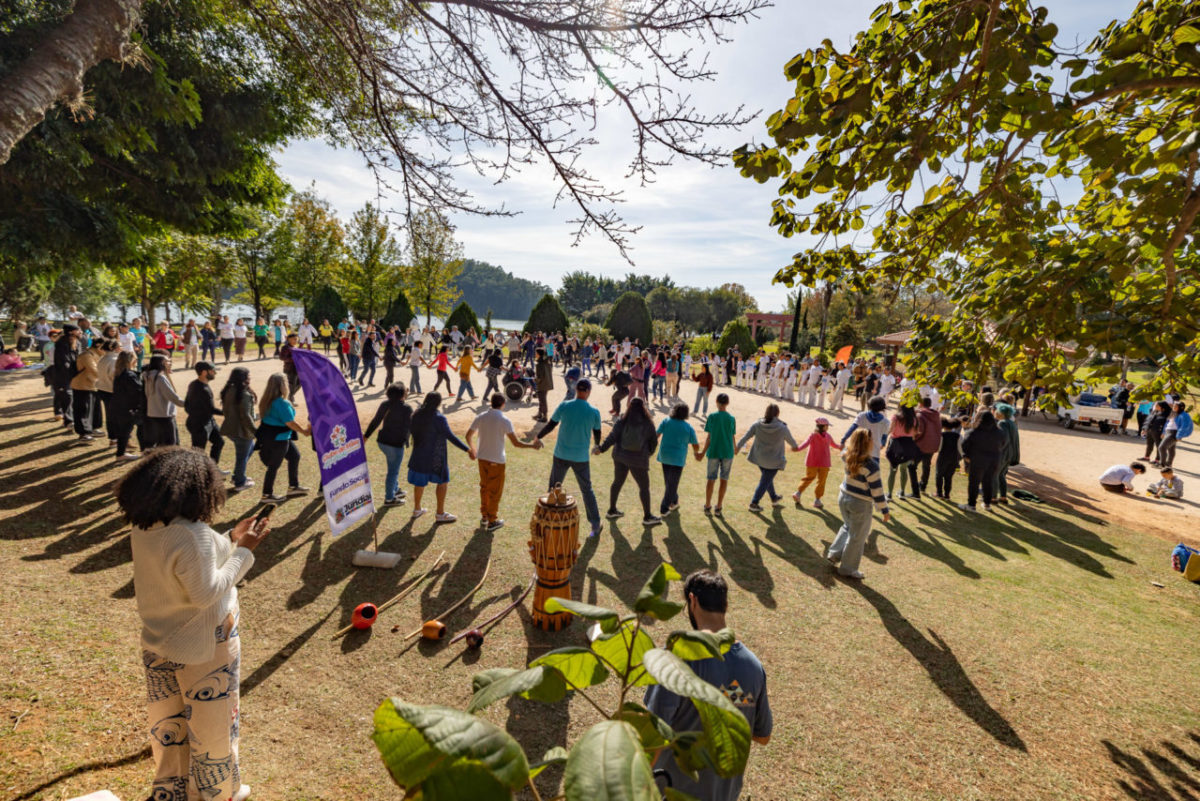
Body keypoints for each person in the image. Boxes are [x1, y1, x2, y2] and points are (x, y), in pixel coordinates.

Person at [116, 446, 266, 801]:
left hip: (159, 641)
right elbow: (206, 591)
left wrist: (231, 538)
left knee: (169, 726)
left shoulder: (147, 525)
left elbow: (192, 563)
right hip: (205, 646)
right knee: (213, 729)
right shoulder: (192, 532)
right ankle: (219, 794)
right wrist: (246, 550)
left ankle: (171, 791)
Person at [644, 569, 772, 801]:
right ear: (726, 605)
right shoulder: (754, 667)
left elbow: (652, 737)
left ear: (692, 601)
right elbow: (763, 736)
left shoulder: (674, 660)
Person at [535, 379, 604, 537]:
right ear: (588, 391)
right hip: (581, 458)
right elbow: (597, 433)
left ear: (576, 389)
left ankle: (547, 521)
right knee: (587, 490)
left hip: (561, 454)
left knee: (553, 488)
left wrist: (538, 436)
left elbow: (551, 424)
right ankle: (595, 525)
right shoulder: (594, 411)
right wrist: (597, 445)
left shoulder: (564, 405)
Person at [826, 428, 891, 579]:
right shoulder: (871, 466)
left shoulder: (846, 455)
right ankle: (847, 569)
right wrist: (884, 510)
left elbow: (845, 451)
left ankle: (834, 554)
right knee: (857, 537)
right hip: (860, 503)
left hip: (844, 497)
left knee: (847, 526)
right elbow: (877, 491)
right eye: (871, 439)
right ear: (868, 443)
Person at [466, 393, 535, 530]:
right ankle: (492, 520)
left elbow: (468, 436)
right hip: (497, 460)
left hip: (482, 459)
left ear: (491, 403)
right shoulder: (504, 420)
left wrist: (473, 450)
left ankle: (484, 517)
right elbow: (516, 443)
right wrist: (532, 446)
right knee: (495, 492)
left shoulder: (481, 416)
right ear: (503, 404)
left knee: (484, 488)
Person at [407, 392, 475, 522]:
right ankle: (440, 513)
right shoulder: (439, 418)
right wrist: (467, 449)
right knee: (442, 482)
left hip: (418, 455)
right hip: (436, 457)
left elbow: (409, 431)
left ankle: (417, 509)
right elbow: (450, 436)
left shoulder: (416, 414)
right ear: (438, 403)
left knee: (419, 483)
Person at [595, 396, 661, 527]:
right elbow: (654, 442)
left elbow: (612, 437)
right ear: (643, 407)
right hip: (638, 459)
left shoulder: (622, 420)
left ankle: (612, 510)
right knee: (644, 487)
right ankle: (647, 516)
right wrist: (647, 454)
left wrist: (601, 449)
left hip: (620, 456)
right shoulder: (648, 423)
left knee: (617, 483)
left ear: (629, 406)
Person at [256, 373, 311, 502]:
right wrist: (304, 431)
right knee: (273, 466)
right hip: (279, 439)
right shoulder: (282, 403)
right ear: (282, 386)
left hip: (270, 436)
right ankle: (267, 494)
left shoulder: (266, 400)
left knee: (295, 456)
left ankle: (293, 486)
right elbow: (290, 423)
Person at [735, 403, 800, 512]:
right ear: (778, 414)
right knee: (765, 481)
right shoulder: (782, 427)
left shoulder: (757, 424)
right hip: (774, 460)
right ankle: (754, 503)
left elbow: (745, 436)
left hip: (759, 458)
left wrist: (737, 447)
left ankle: (774, 498)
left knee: (766, 478)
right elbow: (793, 444)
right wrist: (795, 447)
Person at [363, 382, 413, 507]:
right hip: (395, 445)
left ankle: (395, 489)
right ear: (402, 394)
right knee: (393, 471)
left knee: (393, 468)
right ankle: (389, 499)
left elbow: (375, 421)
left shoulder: (385, 404)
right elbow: (410, 427)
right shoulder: (407, 408)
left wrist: (365, 437)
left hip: (383, 442)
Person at [657, 401, 701, 517]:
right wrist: (696, 453)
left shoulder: (666, 421)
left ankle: (674, 501)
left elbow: (656, 435)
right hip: (678, 458)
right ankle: (664, 508)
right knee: (672, 484)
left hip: (665, 455)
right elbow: (696, 445)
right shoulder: (688, 427)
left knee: (669, 481)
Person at [219, 367, 258, 491]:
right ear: (244, 378)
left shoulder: (228, 390)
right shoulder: (244, 394)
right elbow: (246, 416)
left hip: (231, 428)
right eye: (248, 376)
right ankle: (239, 482)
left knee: (248, 450)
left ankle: (238, 476)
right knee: (242, 456)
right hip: (241, 431)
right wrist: (256, 431)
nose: (250, 378)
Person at [698, 393, 737, 516]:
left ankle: (707, 505)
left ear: (716, 402)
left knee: (711, 479)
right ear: (727, 403)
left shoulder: (712, 416)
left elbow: (709, 437)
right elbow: (732, 435)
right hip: (727, 452)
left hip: (714, 451)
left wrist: (703, 452)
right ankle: (719, 506)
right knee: (724, 479)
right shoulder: (731, 418)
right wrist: (735, 448)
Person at [959, 411, 1006, 511]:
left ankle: (971, 505)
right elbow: (1003, 444)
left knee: (974, 483)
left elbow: (964, 445)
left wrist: (966, 456)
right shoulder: (1000, 433)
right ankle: (987, 504)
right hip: (994, 461)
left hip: (977, 461)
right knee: (988, 481)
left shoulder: (973, 432)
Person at [792, 417, 842, 509]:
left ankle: (798, 493)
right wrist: (840, 447)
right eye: (827, 425)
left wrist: (797, 449)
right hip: (824, 463)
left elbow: (805, 444)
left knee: (809, 478)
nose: (828, 427)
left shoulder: (814, 435)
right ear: (823, 426)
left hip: (813, 462)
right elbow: (834, 445)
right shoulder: (825, 436)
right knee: (821, 481)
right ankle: (817, 500)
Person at [185, 361, 226, 469]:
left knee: (219, 441)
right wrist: (227, 413)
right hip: (200, 424)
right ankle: (196, 473)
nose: (215, 373)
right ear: (204, 372)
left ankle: (212, 469)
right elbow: (211, 409)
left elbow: (186, 405)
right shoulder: (202, 389)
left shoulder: (194, 384)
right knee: (198, 452)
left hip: (208, 421)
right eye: (212, 371)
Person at [144, 353, 185, 448]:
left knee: (161, 441)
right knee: (170, 442)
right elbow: (172, 396)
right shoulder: (160, 377)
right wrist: (187, 404)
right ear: (161, 363)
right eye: (167, 361)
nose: (170, 363)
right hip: (163, 414)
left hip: (154, 413)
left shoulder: (148, 376)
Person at [884, 403, 922, 500]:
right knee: (904, 469)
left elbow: (890, 430)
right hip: (908, 445)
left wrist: (883, 437)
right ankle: (902, 492)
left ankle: (889, 494)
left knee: (893, 470)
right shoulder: (914, 419)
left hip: (895, 444)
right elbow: (915, 434)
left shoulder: (896, 417)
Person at [70, 336, 103, 442]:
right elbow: (94, 370)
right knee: (83, 410)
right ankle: (83, 433)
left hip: (94, 385)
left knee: (95, 409)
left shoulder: (97, 354)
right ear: (98, 345)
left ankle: (94, 428)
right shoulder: (86, 355)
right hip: (82, 385)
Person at [52, 323, 79, 428]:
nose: (79, 332)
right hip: (63, 376)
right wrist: (72, 371)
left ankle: (72, 419)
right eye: (77, 330)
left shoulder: (76, 342)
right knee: (67, 397)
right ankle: (68, 421)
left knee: (73, 397)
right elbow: (64, 362)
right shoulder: (61, 343)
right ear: (71, 332)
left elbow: (77, 357)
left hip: (74, 374)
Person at [914, 397, 942, 493]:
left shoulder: (920, 415)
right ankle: (923, 485)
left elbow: (919, 431)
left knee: (912, 466)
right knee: (926, 466)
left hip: (920, 444)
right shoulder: (936, 415)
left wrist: (914, 441)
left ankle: (915, 486)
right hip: (932, 444)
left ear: (921, 404)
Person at [995, 404, 1021, 504]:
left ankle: (992, 497)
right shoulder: (1012, 423)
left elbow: (1003, 439)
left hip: (1003, 454)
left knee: (994, 475)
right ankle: (1003, 497)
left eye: (997, 411)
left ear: (1002, 413)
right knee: (1001, 475)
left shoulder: (1002, 423)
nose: (996, 412)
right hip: (1010, 454)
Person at [1157, 402, 1194, 469]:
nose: (1173, 407)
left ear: (1181, 407)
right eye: (1173, 406)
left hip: (1174, 433)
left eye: (1175, 406)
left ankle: (1162, 464)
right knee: (1171, 449)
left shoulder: (1184, 415)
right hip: (1168, 431)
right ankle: (1168, 464)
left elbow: (1184, 426)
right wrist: (1164, 432)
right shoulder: (1173, 413)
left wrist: (1179, 435)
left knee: (1162, 447)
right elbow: (1167, 423)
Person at [934, 417, 962, 499]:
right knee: (948, 477)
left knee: (939, 475)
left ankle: (939, 493)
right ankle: (947, 494)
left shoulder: (942, 435)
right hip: (953, 458)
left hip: (943, 457)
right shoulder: (958, 436)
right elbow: (960, 449)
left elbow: (939, 448)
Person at [1141, 401, 1172, 466]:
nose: (1155, 406)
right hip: (1150, 431)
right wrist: (1144, 429)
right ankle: (1147, 457)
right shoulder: (1154, 412)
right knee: (1149, 444)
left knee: (1159, 446)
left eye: (1157, 405)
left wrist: (1164, 433)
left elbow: (1168, 425)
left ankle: (1157, 460)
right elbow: (1148, 420)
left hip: (1159, 433)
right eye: (1155, 405)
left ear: (1162, 407)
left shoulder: (1168, 415)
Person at [534, 347, 553, 422]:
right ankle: (539, 414)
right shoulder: (546, 362)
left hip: (542, 384)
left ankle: (545, 416)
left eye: (536, 353)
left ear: (539, 354)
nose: (535, 354)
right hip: (547, 383)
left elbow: (540, 377)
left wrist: (534, 380)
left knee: (542, 401)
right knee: (541, 400)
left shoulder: (539, 364)